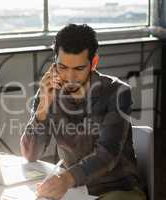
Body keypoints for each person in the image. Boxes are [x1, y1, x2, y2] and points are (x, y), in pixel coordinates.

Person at [20, 24, 146, 200]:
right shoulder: (48, 92)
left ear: (93, 63)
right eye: (62, 67)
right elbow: (30, 154)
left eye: (78, 69)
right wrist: (42, 108)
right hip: (74, 190)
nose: (70, 78)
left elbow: (106, 154)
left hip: (117, 189)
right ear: (54, 63)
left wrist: (66, 179)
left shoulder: (118, 93)